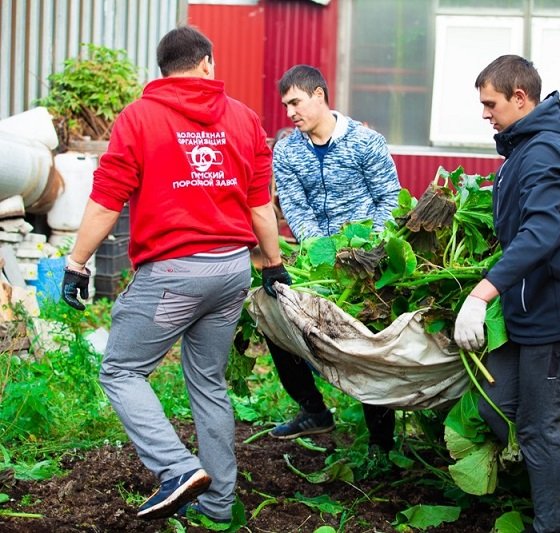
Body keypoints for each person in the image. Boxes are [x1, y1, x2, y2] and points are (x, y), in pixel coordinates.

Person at [60, 26, 289, 522]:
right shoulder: (245, 120)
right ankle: (220, 505)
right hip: (231, 272)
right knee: (208, 381)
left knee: (121, 369)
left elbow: (106, 200)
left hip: (173, 276)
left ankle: (175, 468)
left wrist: (76, 262)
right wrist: (273, 264)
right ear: (207, 62)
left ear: (163, 69)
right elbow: (260, 207)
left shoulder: (139, 118)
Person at [453, 55, 560, 533]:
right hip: (528, 306)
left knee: (540, 429)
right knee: (494, 402)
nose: (485, 113)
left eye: (490, 103)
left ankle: (552, 524)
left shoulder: (542, 151)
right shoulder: (526, 147)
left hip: (557, 312)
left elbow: (540, 233)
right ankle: (542, 481)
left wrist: (481, 295)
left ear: (520, 98)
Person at [267, 65, 401, 454]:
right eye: (285, 105)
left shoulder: (365, 142)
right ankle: (313, 410)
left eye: (296, 102)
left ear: (320, 95)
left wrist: (364, 250)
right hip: (317, 262)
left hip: (368, 264)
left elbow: (388, 199)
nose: (290, 112)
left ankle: (381, 444)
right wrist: (323, 253)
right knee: (274, 319)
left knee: (368, 348)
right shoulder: (288, 150)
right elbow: (295, 205)